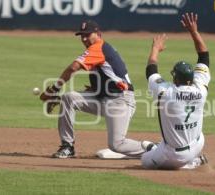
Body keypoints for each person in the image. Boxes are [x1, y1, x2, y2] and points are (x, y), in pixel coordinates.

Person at [40, 20, 153, 158]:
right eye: (82, 35)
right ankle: (67, 147)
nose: (84, 38)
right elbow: (111, 75)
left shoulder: (98, 48)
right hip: (105, 99)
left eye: (87, 34)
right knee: (69, 98)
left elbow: (73, 68)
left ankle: (155, 149)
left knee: (117, 145)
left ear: (98, 34)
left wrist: (54, 89)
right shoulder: (99, 49)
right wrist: (96, 88)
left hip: (120, 101)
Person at [141, 13, 210, 169]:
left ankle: (191, 164)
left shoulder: (166, 93)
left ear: (175, 79)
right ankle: (190, 157)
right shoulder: (200, 88)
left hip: (174, 154)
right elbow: (204, 57)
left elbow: (151, 71)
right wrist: (194, 32)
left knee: (145, 161)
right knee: (179, 142)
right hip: (198, 143)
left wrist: (155, 49)